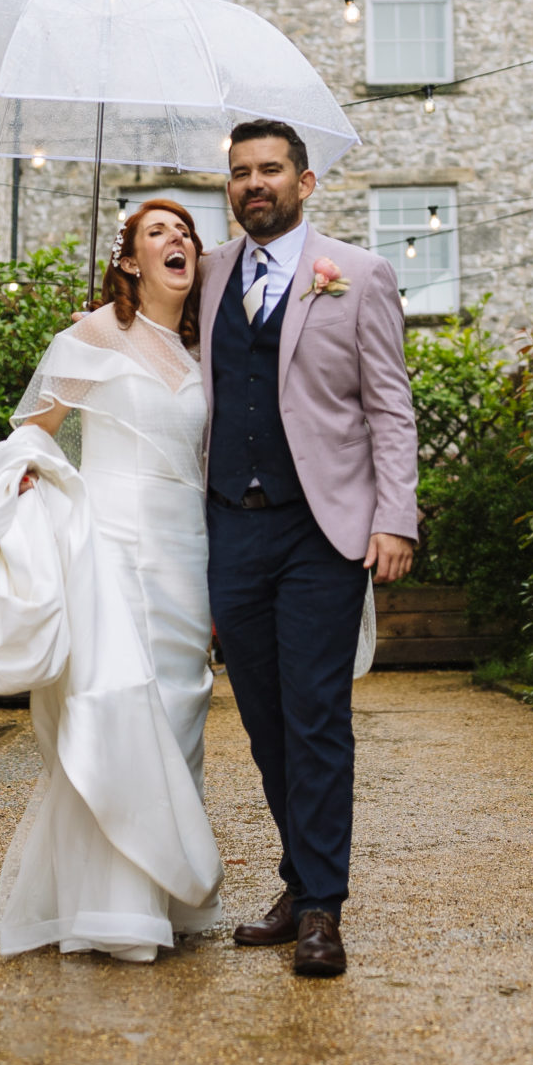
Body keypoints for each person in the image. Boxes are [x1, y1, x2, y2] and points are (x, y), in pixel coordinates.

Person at [0, 200, 225, 962]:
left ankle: (162, 894)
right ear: (128, 260)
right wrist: (26, 478)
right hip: (113, 545)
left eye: (185, 231)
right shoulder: (90, 335)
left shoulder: (204, 351)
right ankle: (109, 908)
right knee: (117, 704)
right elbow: (36, 428)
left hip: (187, 549)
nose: (178, 240)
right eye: (158, 232)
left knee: (181, 706)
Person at [199, 121, 417, 979]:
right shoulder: (212, 272)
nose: (255, 183)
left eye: (270, 170)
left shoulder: (357, 275)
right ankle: (299, 876)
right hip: (230, 526)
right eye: (240, 172)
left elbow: (389, 409)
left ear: (306, 180)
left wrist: (394, 516)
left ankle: (322, 907)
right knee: (261, 722)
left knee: (317, 714)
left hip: (322, 528)